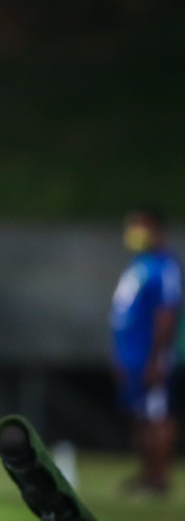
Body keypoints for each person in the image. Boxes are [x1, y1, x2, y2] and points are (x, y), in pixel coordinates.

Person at [111, 205, 181, 497]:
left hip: (151, 355)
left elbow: (166, 315)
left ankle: (159, 476)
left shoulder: (165, 267)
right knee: (139, 413)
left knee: (157, 413)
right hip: (130, 355)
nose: (132, 232)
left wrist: (156, 358)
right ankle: (145, 472)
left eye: (138, 225)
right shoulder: (139, 265)